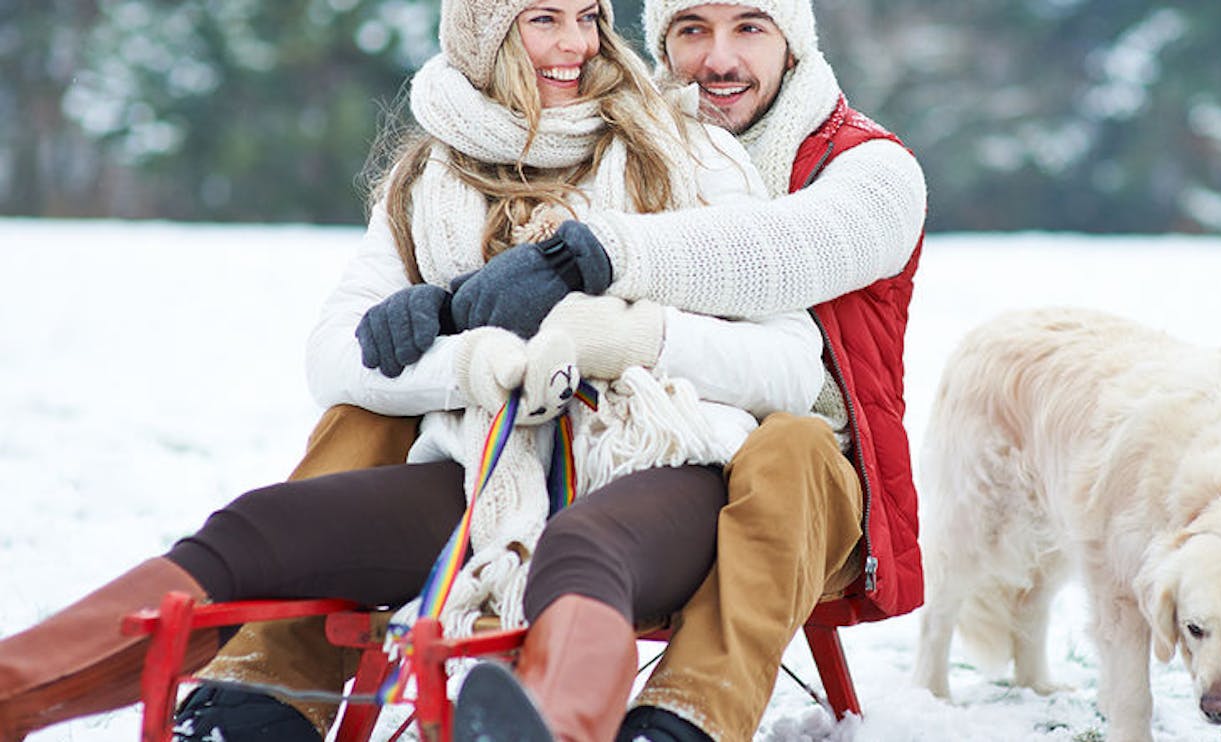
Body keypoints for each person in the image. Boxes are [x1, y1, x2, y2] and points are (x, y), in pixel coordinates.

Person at [0, 1, 827, 740]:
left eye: (589, 16)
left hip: (662, 459)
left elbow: (791, 364)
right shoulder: (428, 178)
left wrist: (630, 337)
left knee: (582, 548)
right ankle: (14, 694)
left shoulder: (687, 152)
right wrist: (464, 357)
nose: (575, 43)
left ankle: (552, 733)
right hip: (488, 465)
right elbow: (334, 350)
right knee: (258, 528)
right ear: (484, 30)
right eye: (544, 18)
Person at [180, 0, 929, 740]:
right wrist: (448, 320)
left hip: (798, 472)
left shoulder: (868, 168)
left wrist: (594, 264)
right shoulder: (614, 137)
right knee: (366, 412)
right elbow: (342, 349)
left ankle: (684, 721)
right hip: (598, 448)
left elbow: (781, 249)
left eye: (750, 29)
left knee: (787, 445)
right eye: (692, 31)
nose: (720, 59)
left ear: (794, 44)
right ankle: (265, 689)